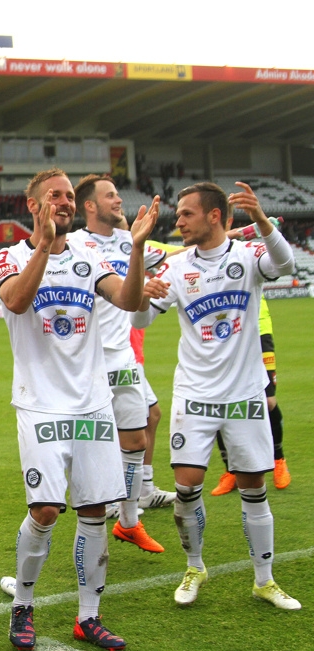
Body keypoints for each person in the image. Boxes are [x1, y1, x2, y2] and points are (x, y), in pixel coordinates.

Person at [0, 168, 157, 650]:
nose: (64, 202)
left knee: (93, 509)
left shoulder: (89, 255)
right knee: (45, 509)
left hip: (92, 404)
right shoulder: (10, 256)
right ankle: (23, 604)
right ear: (33, 205)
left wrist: (138, 248)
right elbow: (19, 302)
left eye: (68, 196)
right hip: (40, 405)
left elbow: (127, 301)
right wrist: (44, 245)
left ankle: (89, 616)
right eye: (54, 196)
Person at [131, 182, 300, 610]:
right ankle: (194, 567)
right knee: (187, 488)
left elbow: (286, 262)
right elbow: (142, 318)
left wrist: (261, 221)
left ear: (213, 216)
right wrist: (141, 288)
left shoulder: (248, 256)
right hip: (195, 394)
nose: (178, 222)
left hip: (244, 393)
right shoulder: (174, 266)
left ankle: (264, 579)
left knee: (253, 488)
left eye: (186, 214)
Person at [67, 175, 172, 554]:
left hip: (124, 359)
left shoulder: (133, 244)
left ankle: (129, 521)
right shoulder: (76, 245)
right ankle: (95, 519)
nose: (118, 200)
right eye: (109, 195)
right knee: (88, 448)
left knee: (135, 440)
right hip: (88, 364)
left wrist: (147, 291)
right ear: (89, 206)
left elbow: (166, 266)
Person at [212, 216, 290, 494]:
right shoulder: (205, 255)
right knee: (220, 401)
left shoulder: (246, 252)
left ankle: (278, 459)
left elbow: (280, 261)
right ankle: (229, 469)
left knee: (268, 401)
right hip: (226, 338)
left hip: (258, 333)